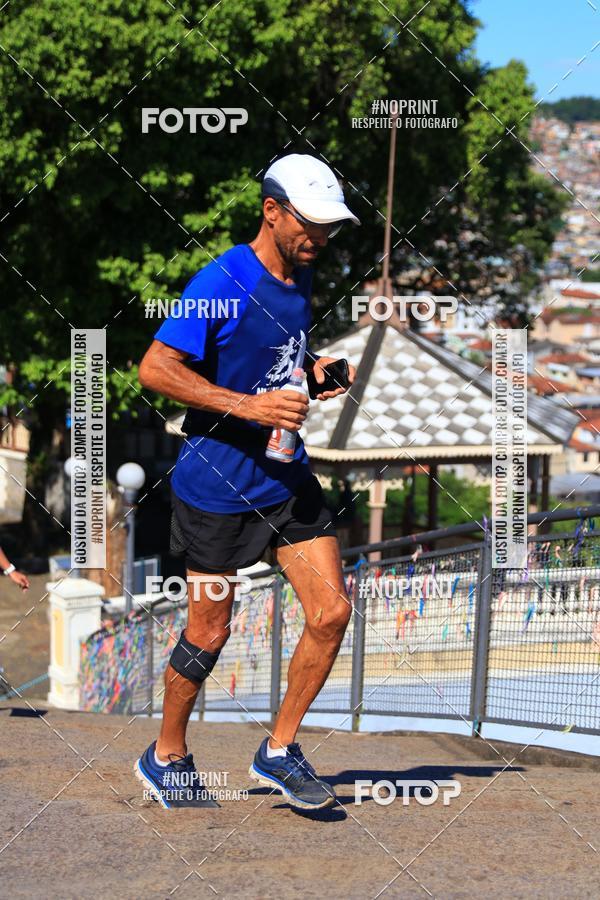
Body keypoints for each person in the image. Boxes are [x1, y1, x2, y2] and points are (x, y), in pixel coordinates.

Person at [135, 154, 360, 810]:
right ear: (272, 211)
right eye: (310, 225)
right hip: (215, 490)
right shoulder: (222, 280)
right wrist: (248, 407)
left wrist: (313, 372)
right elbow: (155, 368)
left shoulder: (300, 276)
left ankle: (280, 750)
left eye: (330, 228)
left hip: (285, 478)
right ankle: (166, 753)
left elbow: (273, 359)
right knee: (208, 633)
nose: (320, 238)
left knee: (331, 612)